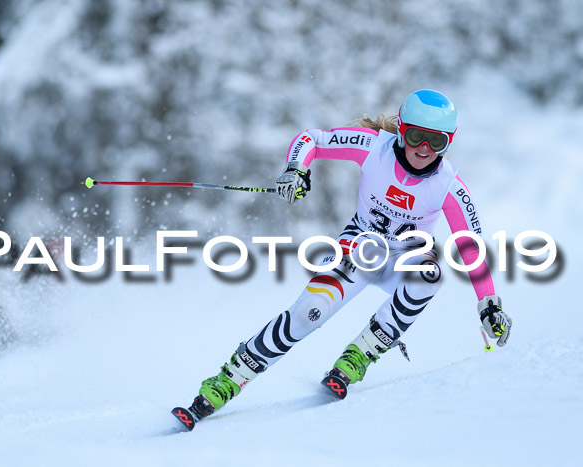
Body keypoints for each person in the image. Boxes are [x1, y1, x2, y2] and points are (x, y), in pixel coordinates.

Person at [185, 89, 511, 419]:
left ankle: (358, 357)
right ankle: (227, 380)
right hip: (360, 248)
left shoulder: (449, 185)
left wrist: (488, 303)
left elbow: (471, 247)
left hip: (406, 258)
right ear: (401, 130)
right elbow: (313, 139)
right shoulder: (373, 147)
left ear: (448, 142)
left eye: (436, 142)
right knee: (309, 312)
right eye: (416, 137)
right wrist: (297, 169)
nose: (424, 150)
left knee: (431, 275)